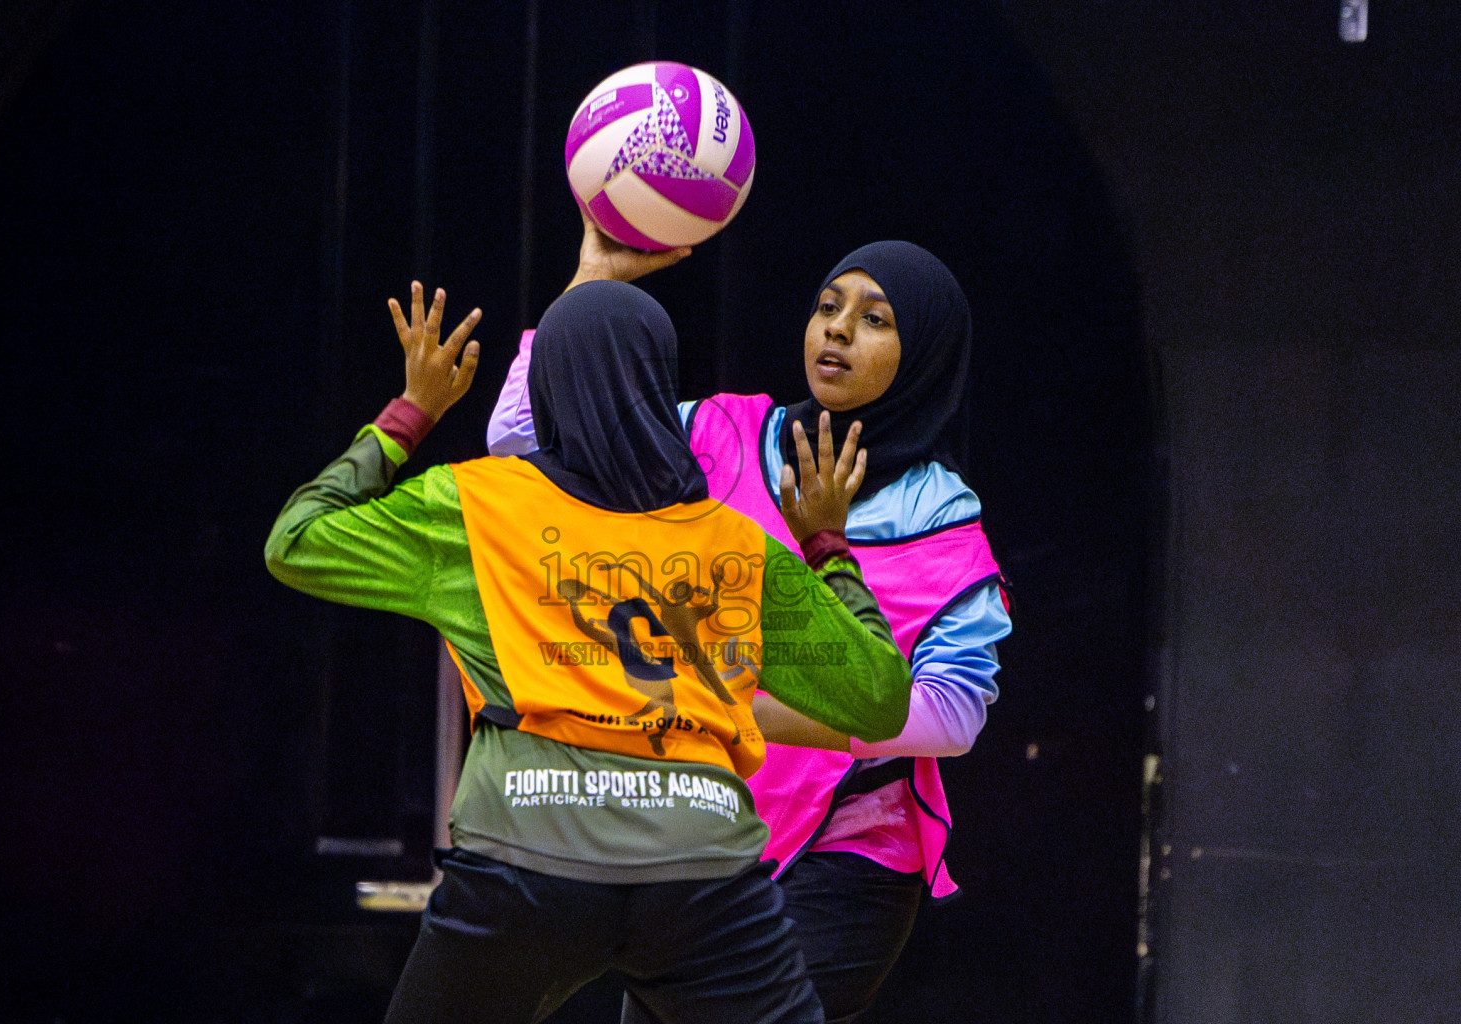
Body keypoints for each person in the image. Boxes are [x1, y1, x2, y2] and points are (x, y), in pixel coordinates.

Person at [265, 277, 918, 1024]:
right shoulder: (738, 546)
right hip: (702, 872)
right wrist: (827, 543)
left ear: (549, 389)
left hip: (525, 861)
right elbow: (879, 697)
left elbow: (297, 542)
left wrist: (411, 412)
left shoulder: (475, 506)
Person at [487, 224, 1012, 1024]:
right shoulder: (719, 439)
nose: (837, 328)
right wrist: (591, 283)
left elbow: (954, 713)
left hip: (848, 857)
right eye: (828, 307)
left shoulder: (938, 519)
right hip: (704, 837)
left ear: (928, 354)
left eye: (877, 319)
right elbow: (526, 445)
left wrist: (733, 707)